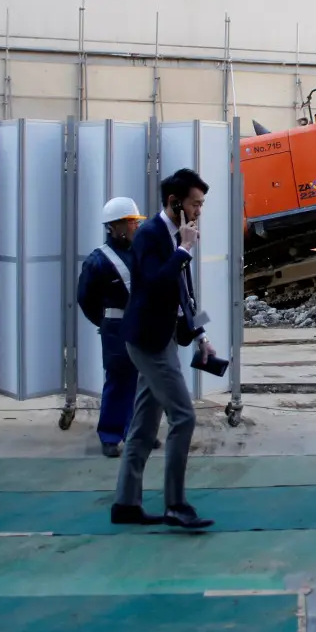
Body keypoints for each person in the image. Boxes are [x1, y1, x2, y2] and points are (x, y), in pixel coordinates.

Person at [110, 168, 218, 529]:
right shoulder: (151, 236)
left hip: (164, 337)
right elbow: (155, 284)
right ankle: (176, 504)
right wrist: (184, 249)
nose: (200, 210)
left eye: (202, 203)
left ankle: (126, 503)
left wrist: (201, 334)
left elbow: (184, 291)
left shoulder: (175, 235)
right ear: (175, 203)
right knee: (183, 416)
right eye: (195, 204)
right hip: (149, 342)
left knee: (143, 424)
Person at [76, 197, 161, 458]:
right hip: (117, 327)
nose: (136, 227)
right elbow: (85, 298)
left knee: (144, 383)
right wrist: (104, 322)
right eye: (132, 222)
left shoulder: (140, 252)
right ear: (117, 226)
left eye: (136, 222)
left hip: (141, 324)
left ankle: (139, 432)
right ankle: (110, 436)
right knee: (119, 381)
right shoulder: (98, 261)